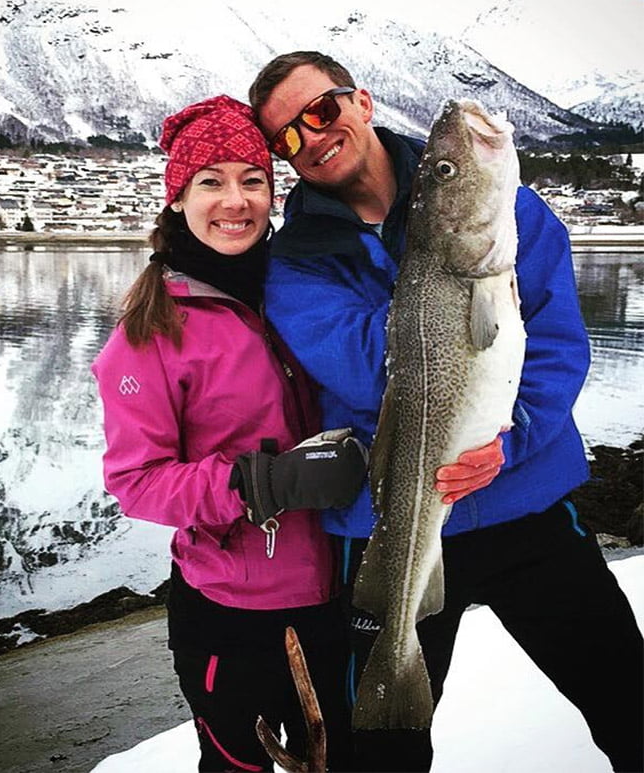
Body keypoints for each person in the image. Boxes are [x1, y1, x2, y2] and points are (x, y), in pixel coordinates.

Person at [248, 52, 644, 772]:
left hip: (525, 506)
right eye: (287, 140)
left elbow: (557, 343)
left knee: (630, 698)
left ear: (362, 102)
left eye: (322, 110)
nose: (312, 137)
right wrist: (448, 280)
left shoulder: (505, 212)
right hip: (391, 529)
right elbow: (372, 366)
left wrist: (513, 438)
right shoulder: (294, 264)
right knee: (381, 753)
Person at [91, 94, 368, 772]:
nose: (234, 200)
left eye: (252, 180)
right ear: (178, 197)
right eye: (210, 182)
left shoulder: (301, 288)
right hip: (229, 612)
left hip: (338, 591)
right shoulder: (148, 333)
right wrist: (257, 483)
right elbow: (135, 481)